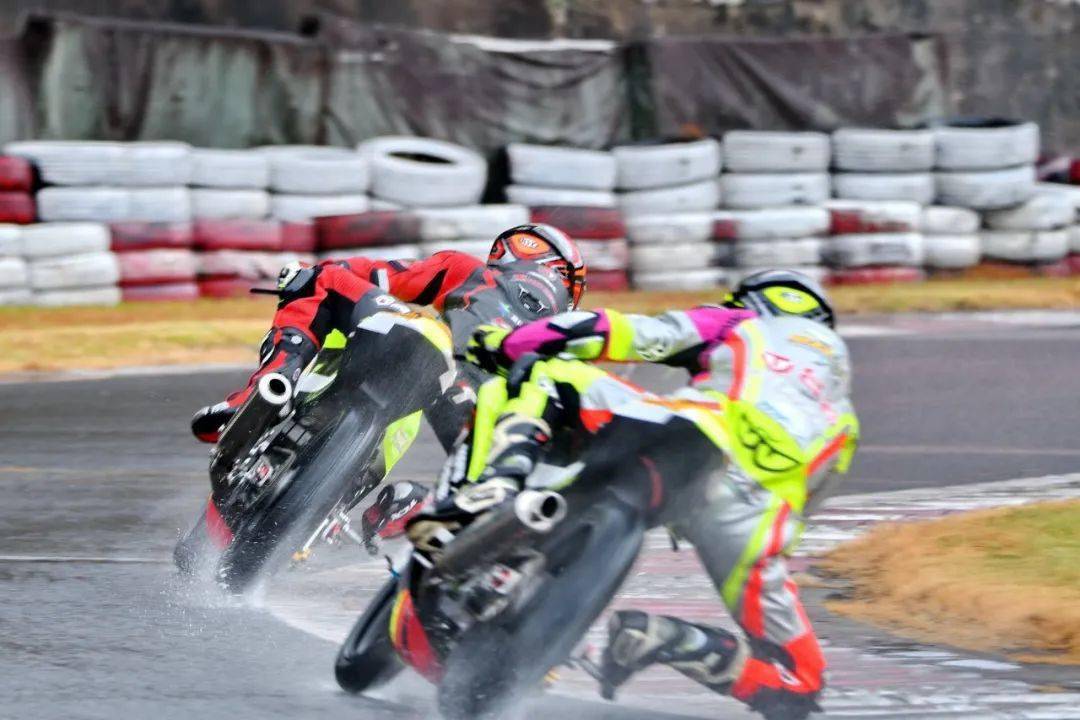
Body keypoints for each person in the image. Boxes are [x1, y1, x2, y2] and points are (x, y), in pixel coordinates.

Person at [414, 270, 858, 720]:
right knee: (802, 683)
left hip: (688, 437)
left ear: (755, 301)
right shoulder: (842, 415)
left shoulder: (742, 323)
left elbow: (617, 332)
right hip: (753, 521)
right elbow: (809, 498)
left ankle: (495, 485)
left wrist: (504, 345)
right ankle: (669, 640)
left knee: (546, 372)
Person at [189, 223, 586, 544]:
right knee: (430, 445)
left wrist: (302, 276)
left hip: (436, 366)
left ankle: (268, 389)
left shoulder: (468, 270)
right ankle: (348, 507)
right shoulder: (561, 340)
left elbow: (372, 275)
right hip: (460, 401)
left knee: (323, 278)